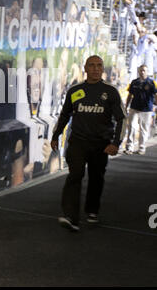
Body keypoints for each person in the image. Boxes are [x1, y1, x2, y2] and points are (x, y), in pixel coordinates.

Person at [50, 55, 126, 231]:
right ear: (85, 68)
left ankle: (92, 210)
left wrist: (116, 143)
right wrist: (55, 136)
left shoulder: (111, 92)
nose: (95, 69)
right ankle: (71, 216)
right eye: (91, 65)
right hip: (78, 142)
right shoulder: (75, 91)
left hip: (101, 144)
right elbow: (65, 115)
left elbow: (122, 119)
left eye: (99, 65)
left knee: (96, 178)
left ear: (103, 69)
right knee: (75, 175)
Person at [124, 64, 157, 155]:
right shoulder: (134, 82)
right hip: (134, 108)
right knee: (131, 127)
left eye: (144, 70)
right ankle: (129, 147)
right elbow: (130, 95)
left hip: (146, 110)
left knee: (144, 129)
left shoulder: (151, 83)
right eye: (141, 70)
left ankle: (141, 148)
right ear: (138, 71)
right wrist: (126, 106)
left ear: (147, 72)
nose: (142, 72)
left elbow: (155, 95)